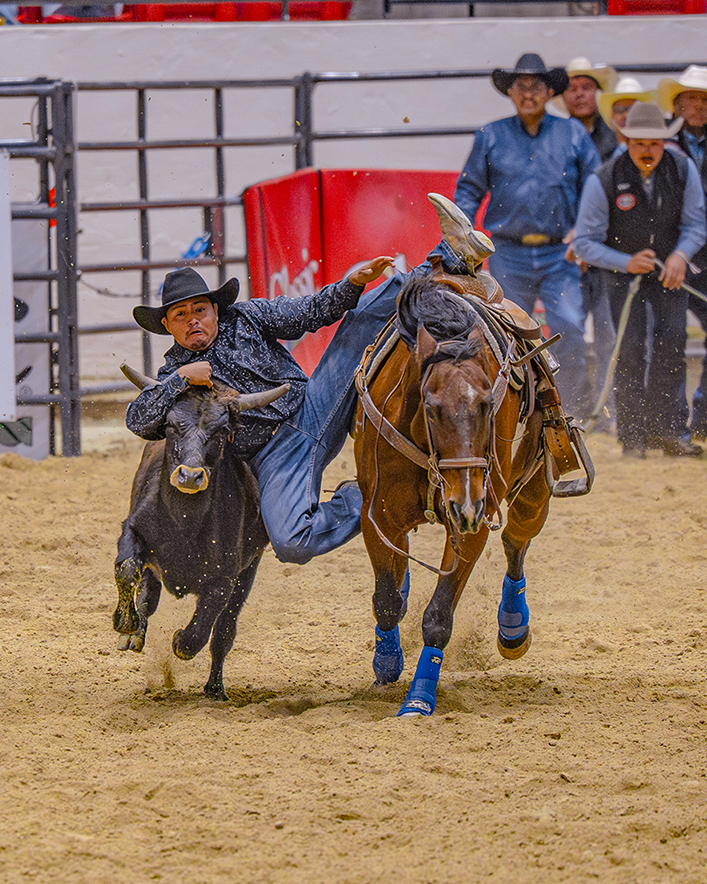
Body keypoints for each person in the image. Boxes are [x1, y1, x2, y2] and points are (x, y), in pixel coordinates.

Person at [126, 199, 494, 566]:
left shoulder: (248, 316)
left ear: (214, 310)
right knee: (291, 543)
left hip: (312, 408)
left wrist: (352, 283)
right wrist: (179, 380)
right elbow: (139, 421)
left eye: (200, 310)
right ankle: (367, 498)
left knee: (360, 324)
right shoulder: (173, 374)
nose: (193, 320)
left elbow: (309, 311)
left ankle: (450, 254)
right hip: (268, 459)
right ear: (166, 325)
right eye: (181, 315)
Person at [454, 52, 600, 417]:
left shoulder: (573, 134)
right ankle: (512, 409)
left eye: (536, 86)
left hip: (560, 254)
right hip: (507, 252)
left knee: (567, 329)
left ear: (550, 91)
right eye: (521, 86)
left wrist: (583, 231)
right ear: (511, 92)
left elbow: (595, 187)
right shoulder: (490, 135)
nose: (528, 94)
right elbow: (469, 189)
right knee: (506, 332)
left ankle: (570, 414)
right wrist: (462, 234)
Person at [573, 101, 707, 458]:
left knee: (672, 345)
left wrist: (680, 255)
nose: (647, 150)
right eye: (639, 143)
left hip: (669, 274)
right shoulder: (603, 178)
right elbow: (584, 241)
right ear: (625, 139)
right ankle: (632, 436)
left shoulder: (682, 170)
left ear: (664, 143)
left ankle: (670, 431)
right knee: (630, 350)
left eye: (654, 143)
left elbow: (697, 224)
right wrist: (624, 261)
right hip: (623, 279)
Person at [554, 58, 618, 429]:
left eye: (586, 86)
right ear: (562, 97)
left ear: (597, 92)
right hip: (564, 253)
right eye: (572, 87)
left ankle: (609, 413)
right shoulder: (554, 137)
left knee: (610, 335)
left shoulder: (612, 139)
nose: (579, 94)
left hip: (607, 251)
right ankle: (574, 411)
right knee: (569, 333)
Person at [658, 65, 707, 439]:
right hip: (671, 253)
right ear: (677, 103)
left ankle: (703, 416)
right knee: (669, 337)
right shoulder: (659, 141)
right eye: (691, 97)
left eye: (705, 99)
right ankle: (673, 424)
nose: (699, 105)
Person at [597, 76, 657, 148]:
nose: (626, 115)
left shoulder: (656, 148)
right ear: (611, 115)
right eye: (619, 110)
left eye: (633, 109)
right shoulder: (600, 149)